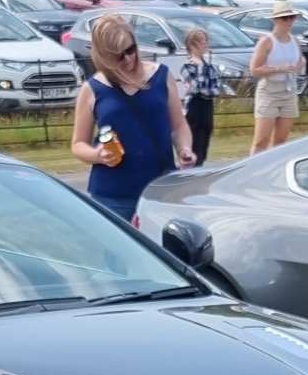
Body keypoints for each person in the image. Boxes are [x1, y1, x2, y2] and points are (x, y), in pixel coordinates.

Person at [70, 13, 196, 222]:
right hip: (112, 196)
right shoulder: (91, 89)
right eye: (118, 55)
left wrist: (184, 149)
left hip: (159, 190)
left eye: (130, 50)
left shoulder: (162, 76)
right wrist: (97, 155)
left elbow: (179, 126)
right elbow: (78, 145)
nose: (128, 58)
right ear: (104, 56)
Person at [248, 1, 305, 155]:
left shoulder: (295, 41)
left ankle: (275, 168)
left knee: (281, 142)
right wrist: (278, 69)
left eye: (292, 18)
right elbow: (254, 69)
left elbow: (299, 61)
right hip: (269, 90)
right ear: (276, 20)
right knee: (261, 141)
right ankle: (254, 167)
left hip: (289, 90)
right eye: (285, 18)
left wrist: (301, 64)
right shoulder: (267, 41)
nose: (289, 22)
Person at [179, 27, 222, 165]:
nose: (205, 43)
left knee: (203, 149)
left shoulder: (211, 67)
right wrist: (200, 68)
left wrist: (202, 90)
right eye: (201, 40)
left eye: (206, 40)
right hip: (194, 109)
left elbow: (216, 90)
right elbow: (196, 86)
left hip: (206, 109)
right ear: (192, 44)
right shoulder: (186, 67)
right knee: (194, 149)